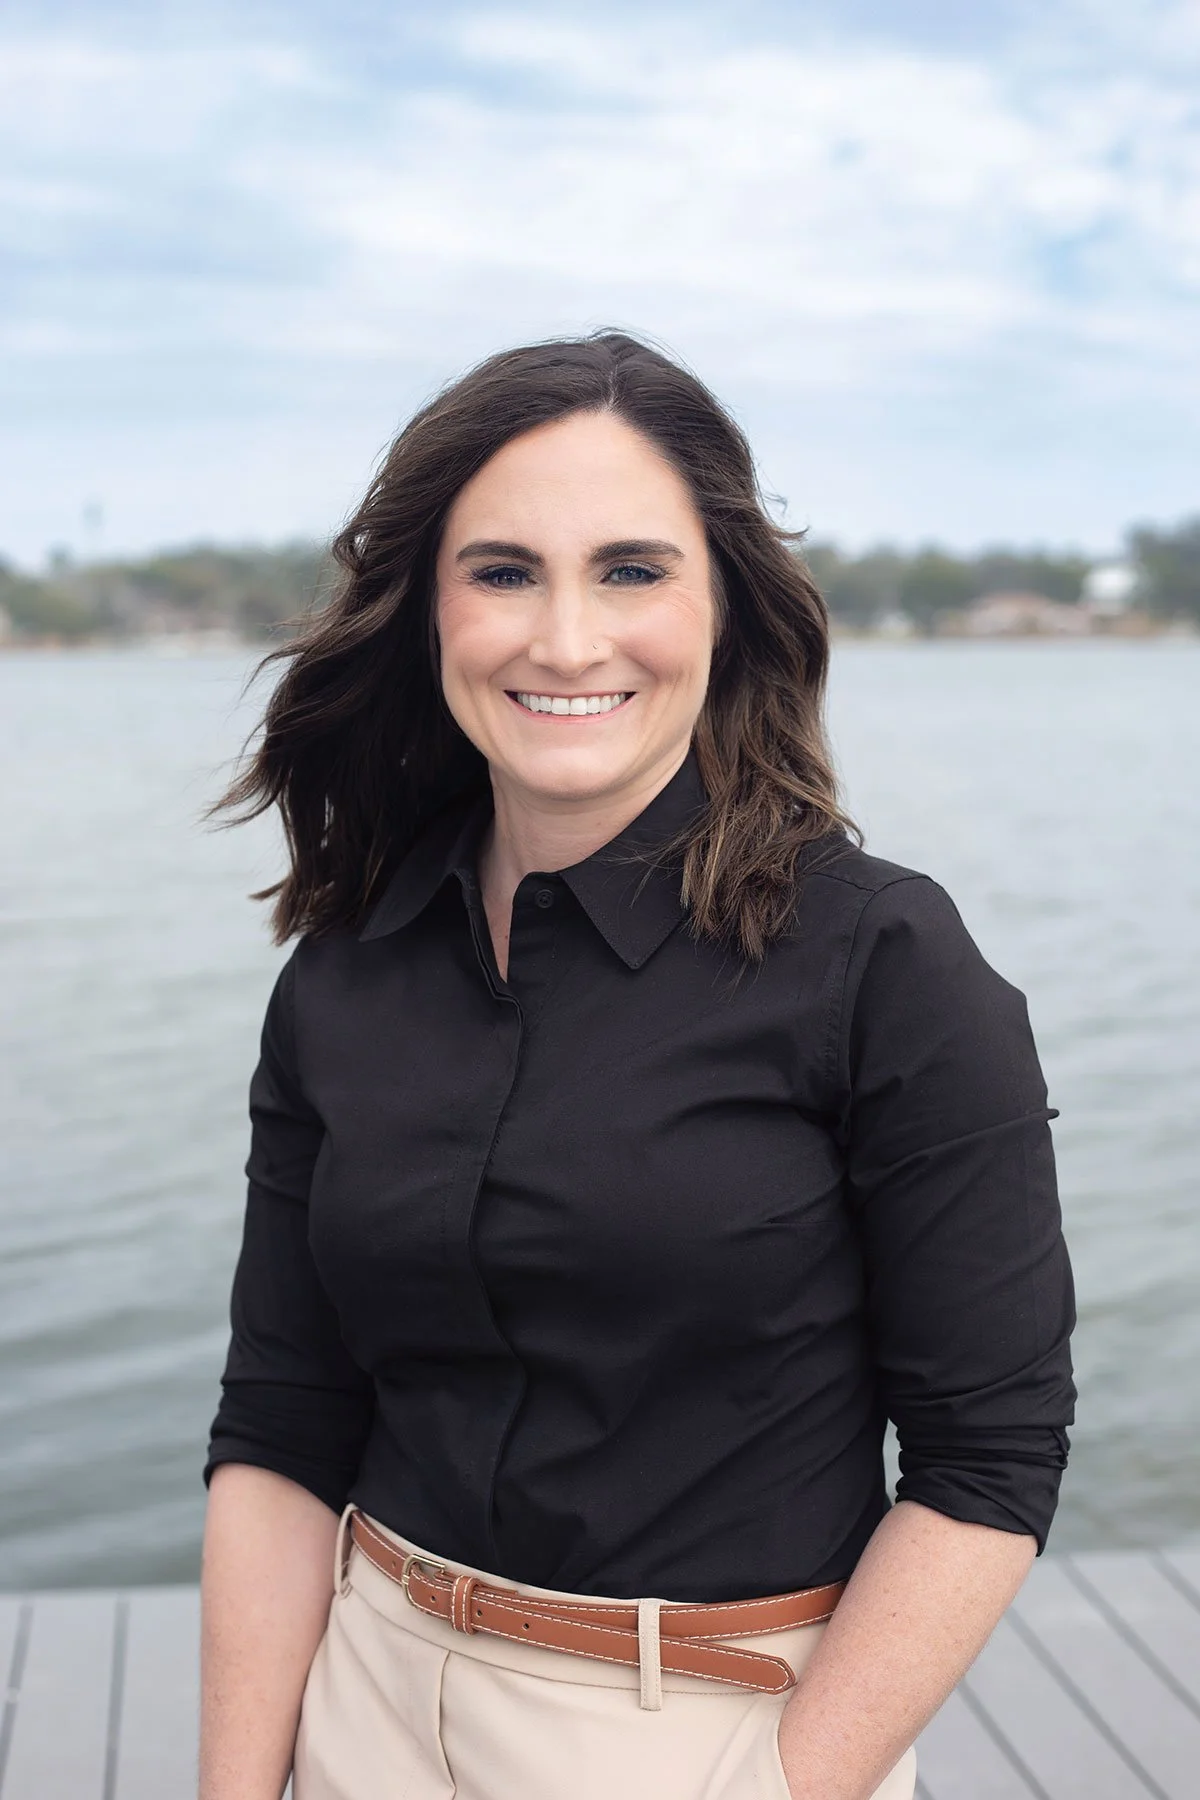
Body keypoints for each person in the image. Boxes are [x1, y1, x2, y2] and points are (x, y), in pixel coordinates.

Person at [200, 331, 1075, 1800]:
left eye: (630, 570)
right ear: (424, 609)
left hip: (710, 1736)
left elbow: (989, 1462)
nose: (564, 638)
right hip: (365, 1696)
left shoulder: (883, 962)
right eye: (502, 571)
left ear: (726, 606)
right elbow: (282, 1424)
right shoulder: (347, 969)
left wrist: (778, 1786)